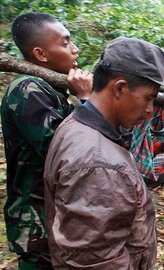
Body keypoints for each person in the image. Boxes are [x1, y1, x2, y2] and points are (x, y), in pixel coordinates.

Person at [43, 37, 164, 269]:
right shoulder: (99, 163)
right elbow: (96, 261)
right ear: (120, 88)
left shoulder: (78, 123)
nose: (151, 110)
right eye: (149, 98)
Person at [1, 12, 92, 269]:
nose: (75, 50)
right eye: (65, 43)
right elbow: (65, 151)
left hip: (55, 218)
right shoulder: (27, 89)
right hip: (37, 225)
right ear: (41, 54)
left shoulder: (50, 90)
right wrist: (86, 101)